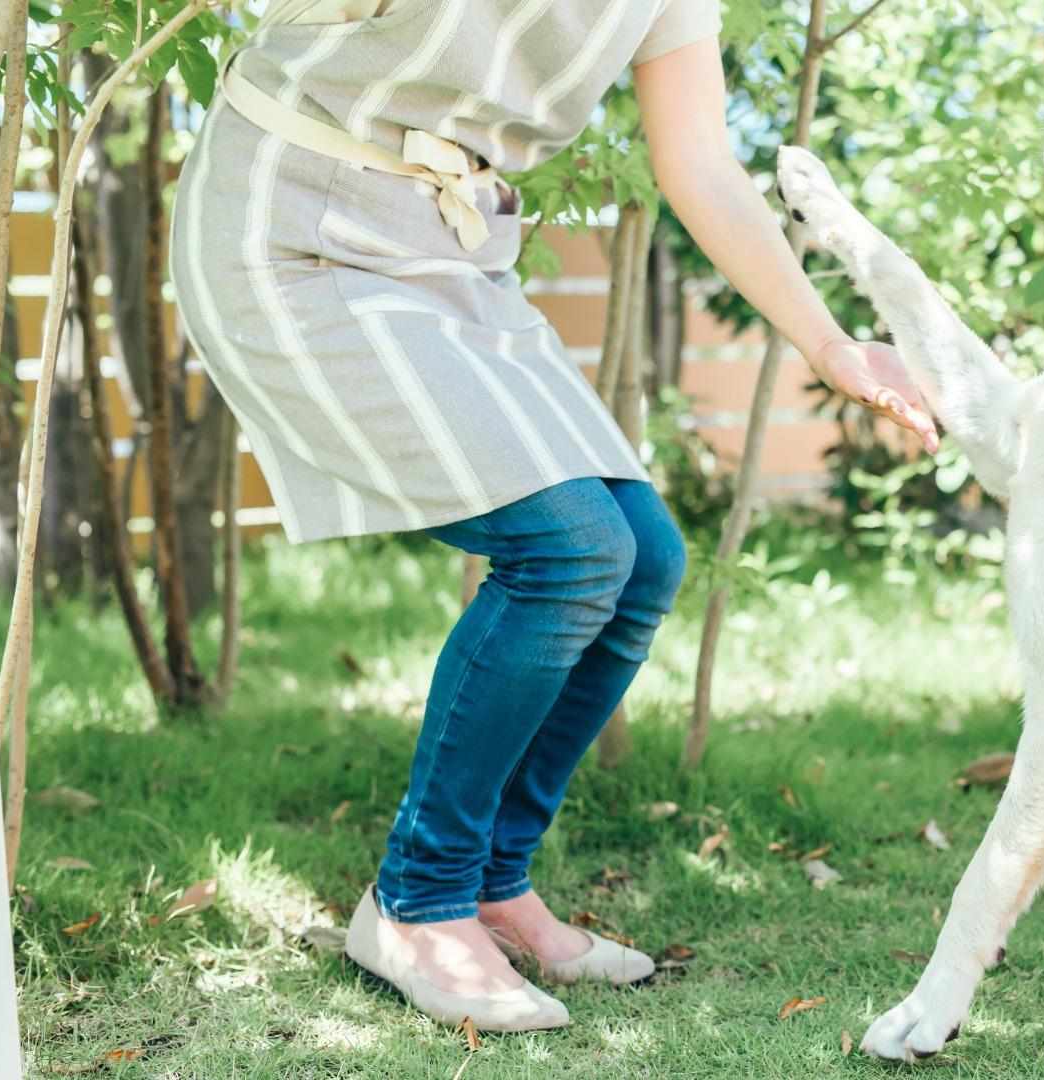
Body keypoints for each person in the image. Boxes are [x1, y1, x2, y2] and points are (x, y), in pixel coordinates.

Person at [171, 0, 935, 1031]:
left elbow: (702, 167)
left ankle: (490, 881)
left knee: (643, 560)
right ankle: (416, 900)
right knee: (570, 549)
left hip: (448, 247)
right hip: (295, 223)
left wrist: (831, 345)